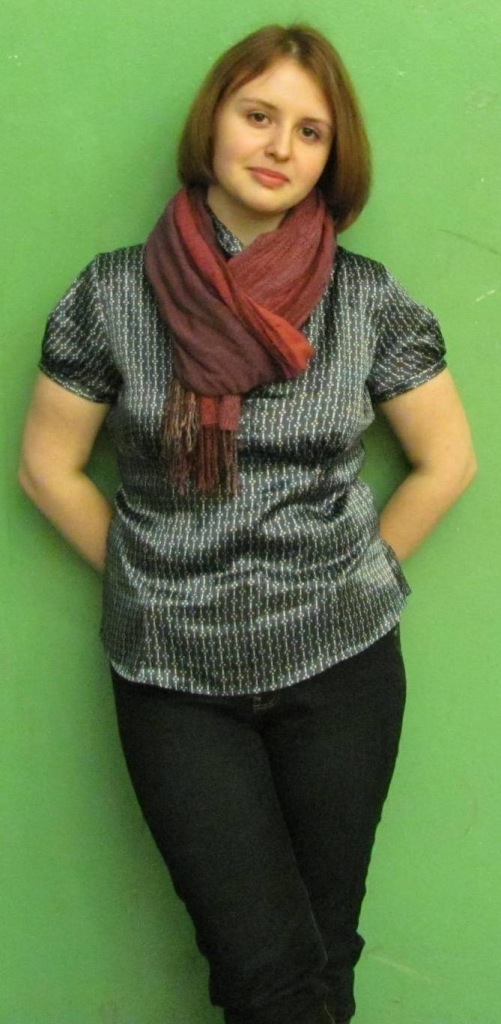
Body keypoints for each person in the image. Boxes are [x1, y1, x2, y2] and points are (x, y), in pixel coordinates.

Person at [18, 23, 476, 1024]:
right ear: (213, 124)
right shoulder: (111, 294)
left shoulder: (364, 298)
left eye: (309, 131)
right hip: (172, 678)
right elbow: (47, 468)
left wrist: (355, 573)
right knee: (263, 972)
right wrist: (151, 577)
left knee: (324, 953)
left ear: (332, 157)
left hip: (342, 670)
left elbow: (449, 461)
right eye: (257, 115)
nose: (278, 146)